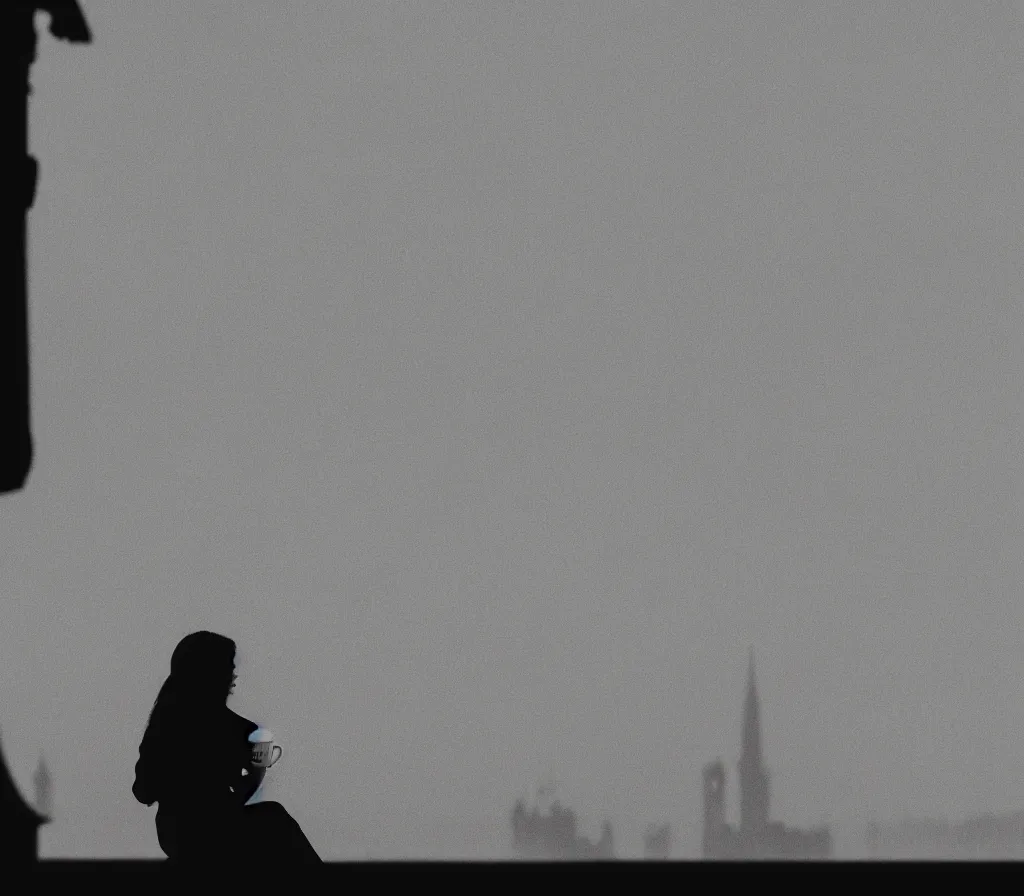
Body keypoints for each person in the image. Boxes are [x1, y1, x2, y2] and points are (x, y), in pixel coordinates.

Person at [132, 631, 322, 864]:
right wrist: (255, 769)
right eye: (228, 667)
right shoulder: (235, 728)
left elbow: (142, 791)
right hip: (207, 830)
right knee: (276, 820)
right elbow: (244, 785)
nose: (233, 674)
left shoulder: (163, 726)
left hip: (176, 832)